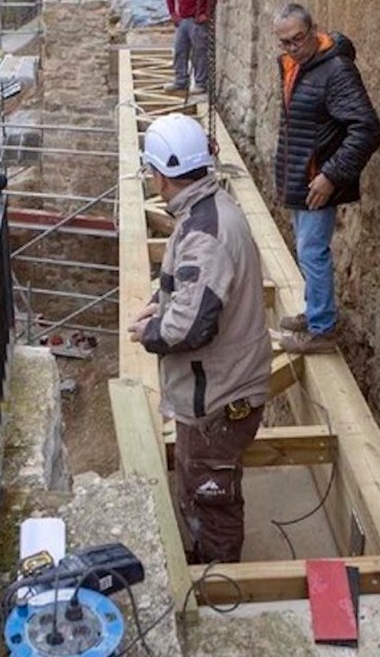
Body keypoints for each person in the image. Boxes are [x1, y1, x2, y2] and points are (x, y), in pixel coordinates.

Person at [127, 113, 270, 563]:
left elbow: (190, 328)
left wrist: (149, 331)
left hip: (220, 396)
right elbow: (195, 286)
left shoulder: (204, 232)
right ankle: (204, 549)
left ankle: (220, 573)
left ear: (161, 174)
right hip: (223, 384)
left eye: (150, 170)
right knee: (199, 477)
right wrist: (160, 300)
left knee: (213, 493)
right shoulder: (206, 209)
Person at [270, 3, 380, 354]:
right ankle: (315, 310)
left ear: (313, 31)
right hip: (301, 175)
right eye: (284, 42)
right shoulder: (294, 67)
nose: (292, 47)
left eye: (298, 39)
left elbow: (366, 128)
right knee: (306, 251)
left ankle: (322, 329)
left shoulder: (336, 70)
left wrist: (331, 176)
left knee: (312, 251)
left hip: (319, 180)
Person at [164, 0, 214, 96]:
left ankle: (200, 83)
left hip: (196, 20)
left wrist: (207, 13)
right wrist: (173, 13)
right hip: (183, 20)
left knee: (199, 52)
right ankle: (180, 81)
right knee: (179, 50)